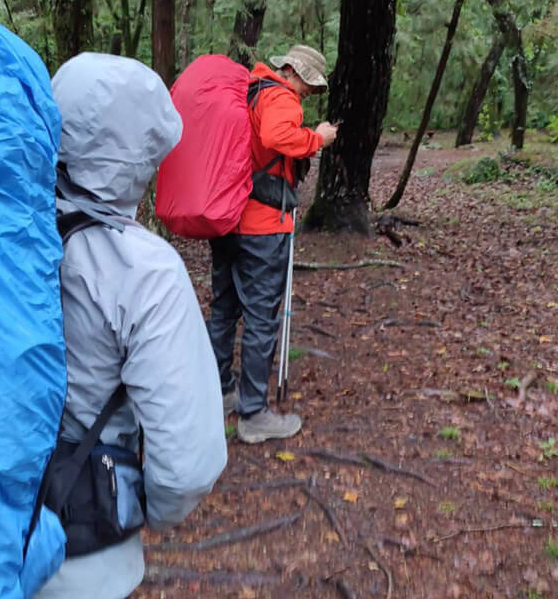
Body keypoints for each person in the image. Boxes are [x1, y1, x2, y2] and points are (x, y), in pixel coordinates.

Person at [35, 53, 228, 599]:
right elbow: (187, 465)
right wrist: (154, 512)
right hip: (82, 548)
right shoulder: (145, 271)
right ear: (141, 156)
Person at [207, 44, 339, 444]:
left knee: (225, 309)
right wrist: (317, 138)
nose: (307, 95)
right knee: (262, 318)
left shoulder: (248, 90)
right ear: (296, 73)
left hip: (227, 218)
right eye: (310, 88)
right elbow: (278, 135)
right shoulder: (280, 96)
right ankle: (254, 414)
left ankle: (220, 391)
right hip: (263, 226)